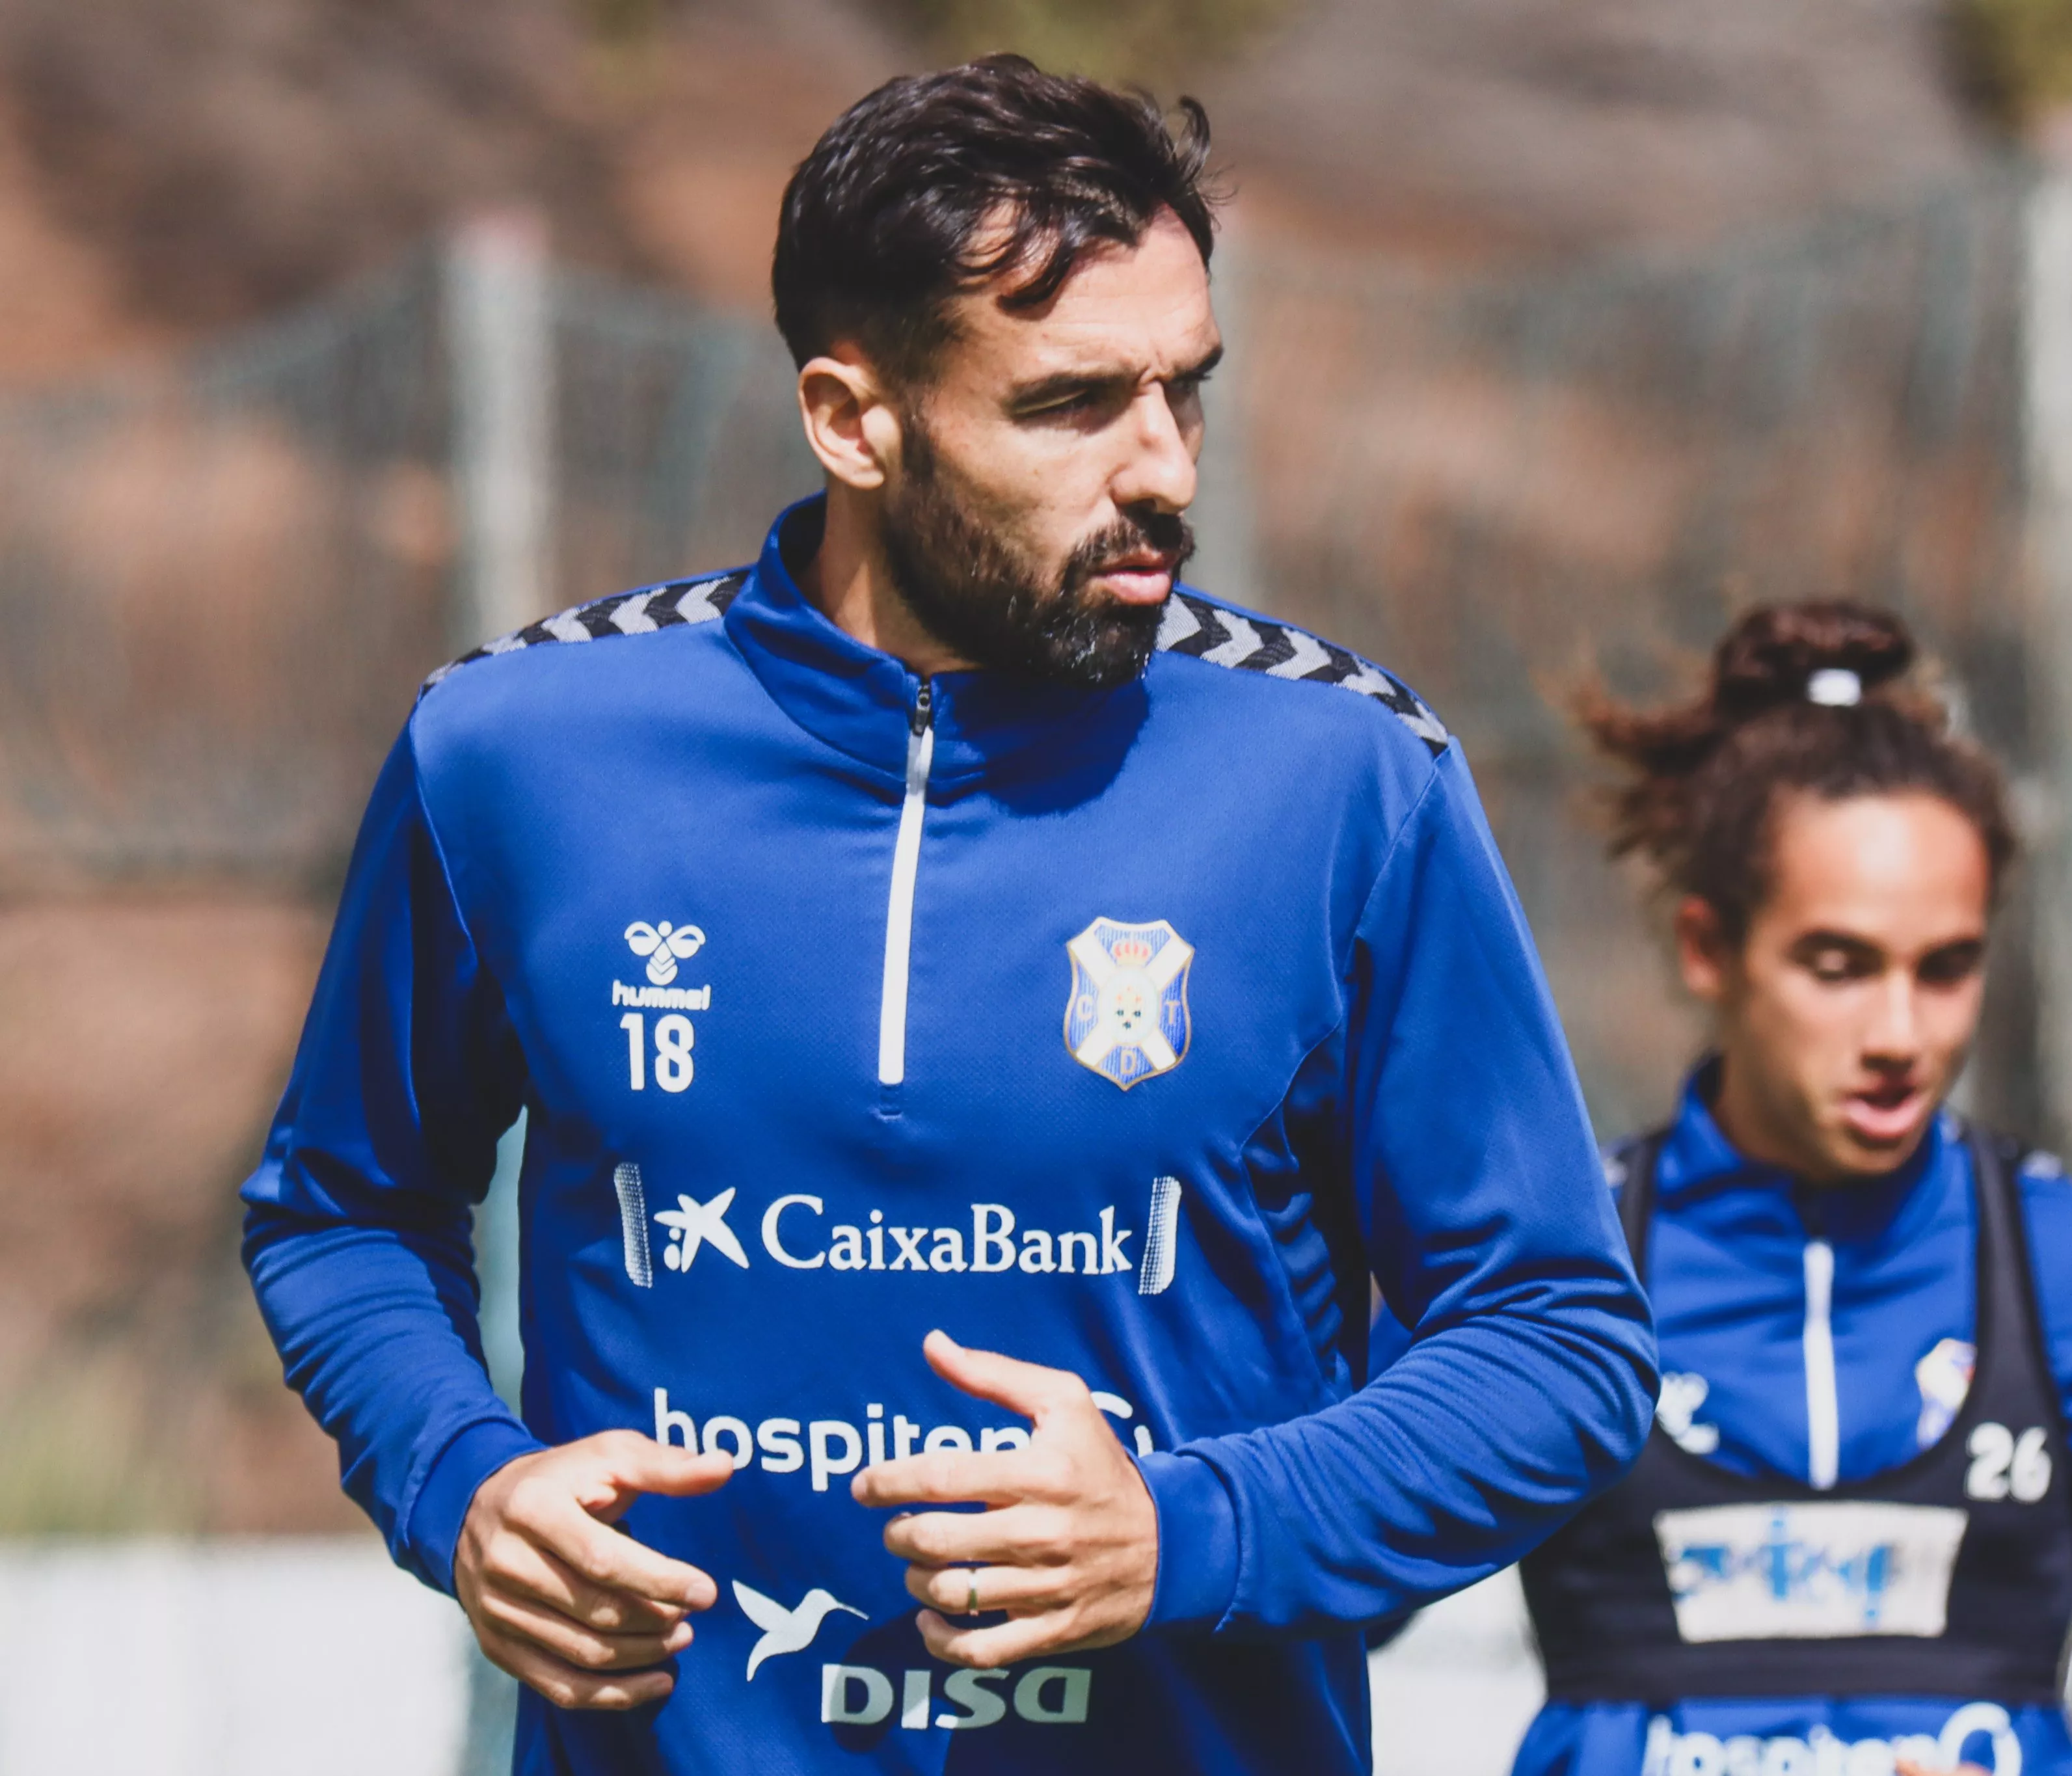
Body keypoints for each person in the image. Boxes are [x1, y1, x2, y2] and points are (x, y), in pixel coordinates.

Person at [239, 58, 1656, 1775]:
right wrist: (461, 1485)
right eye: (1072, 405)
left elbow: (1557, 1342)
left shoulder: (1345, 775)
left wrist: (1189, 1531)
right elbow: (342, 1208)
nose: (1160, 470)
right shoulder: (520, 752)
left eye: (1185, 392)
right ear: (855, 416)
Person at [1506, 604, 2072, 1776]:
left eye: (1946, 967)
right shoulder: (1549, 1268)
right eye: (1839, 965)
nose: (1901, 1032)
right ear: (1710, 948)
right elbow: (1326, 1585)